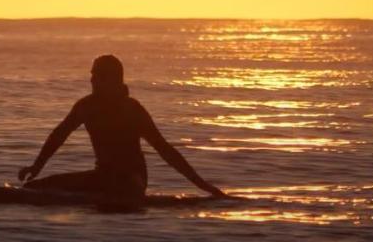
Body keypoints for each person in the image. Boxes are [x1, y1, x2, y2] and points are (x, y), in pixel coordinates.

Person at [18, 55, 226, 203]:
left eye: (98, 76)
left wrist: (204, 186)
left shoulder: (132, 109)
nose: (92, 80)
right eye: (92, 75)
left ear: (113, 80)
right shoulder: (86, 106)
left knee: (41, 192)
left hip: (130, 181)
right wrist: (36, 168)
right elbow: (59, 135)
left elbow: (164, 150)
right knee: (32, 189)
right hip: (102, 177)